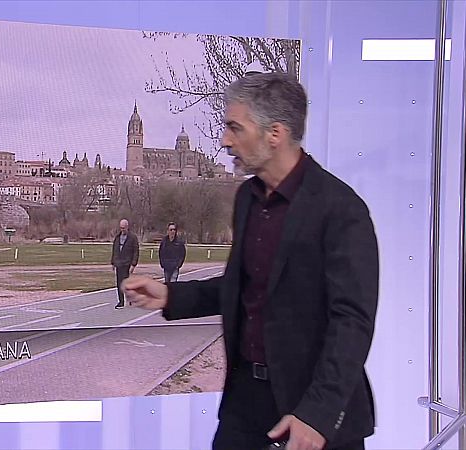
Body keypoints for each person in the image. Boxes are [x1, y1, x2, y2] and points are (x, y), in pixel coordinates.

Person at [123, 72, 378, 450]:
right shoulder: (246, 200)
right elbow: (244, 285)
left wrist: (318, 414)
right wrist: (171, 296)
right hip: (245, 407)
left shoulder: (341, 209)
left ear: (275, 133)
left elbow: (352, 323)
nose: (225, 141)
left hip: (312, 414)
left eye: (234, 128)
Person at [111, 218, 139, 309]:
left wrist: (133, 264)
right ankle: (121, 301)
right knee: (119, 283)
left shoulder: (132, 238)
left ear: (127, 227)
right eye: (121, 228)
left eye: (124, 228)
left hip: (127, 263)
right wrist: (113, 262)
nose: (122, 230)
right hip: (119, 263)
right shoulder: (118, 237)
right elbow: (115, 250)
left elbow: (136, 251)